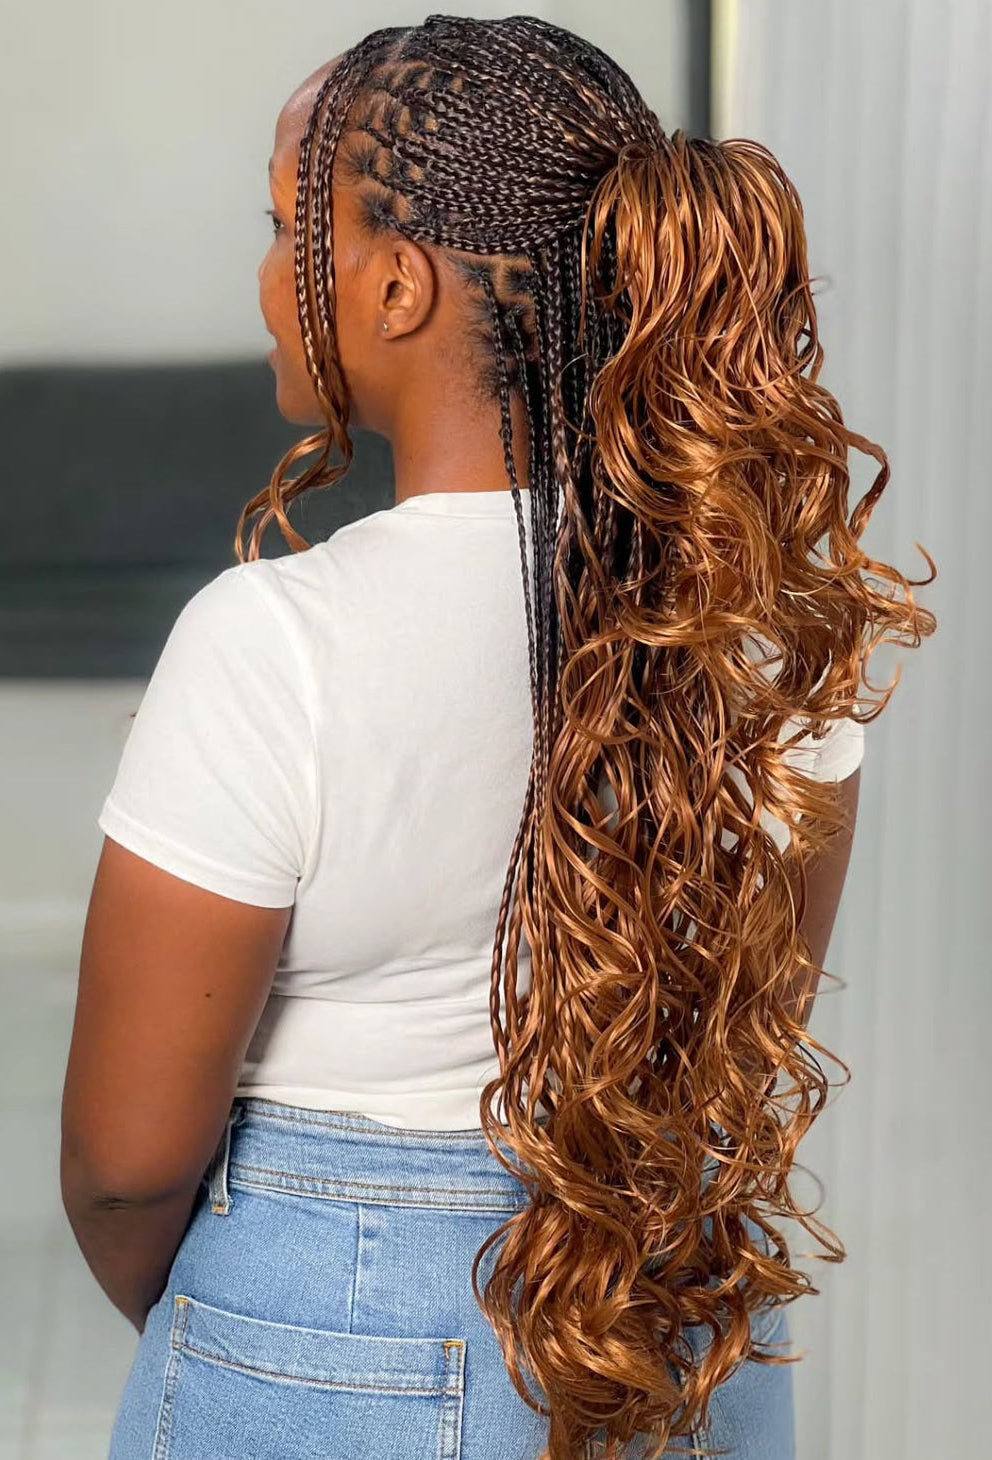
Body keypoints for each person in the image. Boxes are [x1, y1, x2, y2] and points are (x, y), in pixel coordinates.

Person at [61, 14, 937, 1460]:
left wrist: (257, 1315)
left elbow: (123, 1163)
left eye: (290, 233)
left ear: (396, 285)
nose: (268, 281)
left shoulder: (274, 644)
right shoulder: (765, 630)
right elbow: (740, 1030)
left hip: (324, 1323)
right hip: (678, 1325)